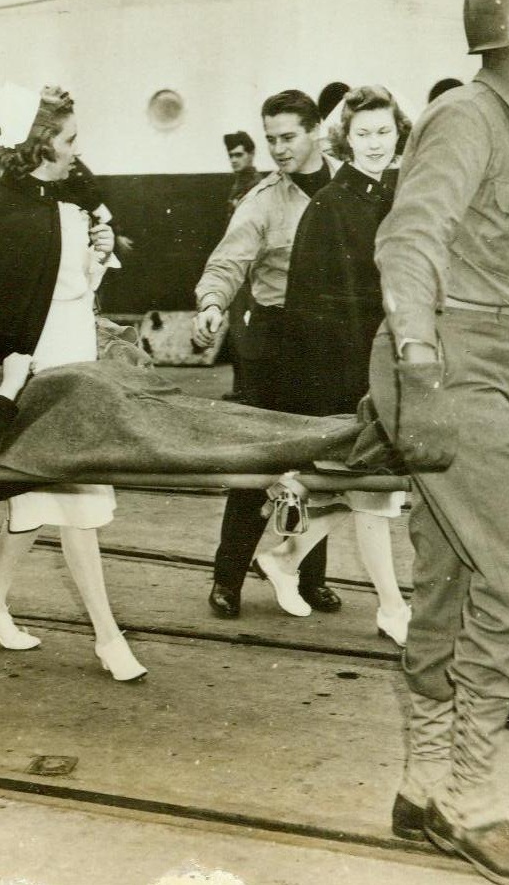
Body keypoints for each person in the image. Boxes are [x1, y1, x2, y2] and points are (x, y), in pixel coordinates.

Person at [369, 0, 509, 884]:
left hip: (483, 365)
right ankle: (471, 801)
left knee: (454, 581)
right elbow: (408, 241)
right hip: (445, 366)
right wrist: (421, 374)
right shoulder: (464, 119)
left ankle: (421, 790)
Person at [0, 84, 147, 682]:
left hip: (74, 350)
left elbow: (74, 286)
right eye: (69, 139)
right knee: (76, 496)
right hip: (39, 363)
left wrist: (100, 253)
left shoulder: (63, 200)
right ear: (41, 143)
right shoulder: (5, 210)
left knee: (40, 500)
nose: (76, 150)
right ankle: (108, 637)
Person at [270, 85, 413, 647]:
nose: (376, 144)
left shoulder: (400, 194)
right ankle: (392, 606)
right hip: (348, 371)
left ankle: (286, 555)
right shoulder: (329, 207)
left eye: (383, 131)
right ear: (344, 139)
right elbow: (309, 308)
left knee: (373, 490)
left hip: (395, 363)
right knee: (375, 491)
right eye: (363, 134)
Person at [192, 90, 341, 621]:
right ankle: (228, 578)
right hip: (275, 345)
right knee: (259, 465)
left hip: (335, 342)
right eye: (270, 138)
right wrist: (212, 304)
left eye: (288, 137)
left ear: (316, 129)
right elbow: (226, 263)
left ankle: (309, 576)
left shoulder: (350, 187)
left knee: (322, 463)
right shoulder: (262, 201)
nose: (277, 148)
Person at [221, 130, 261, 403]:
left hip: (250, 269)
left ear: (250, 154)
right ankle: (241, 388)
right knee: (236, 327)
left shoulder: (256, 186)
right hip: (237, 266)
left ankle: (250, 389)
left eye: (238, 155)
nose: (234, 160)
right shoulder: (238, 184)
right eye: (231, 155)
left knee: (246, 328)